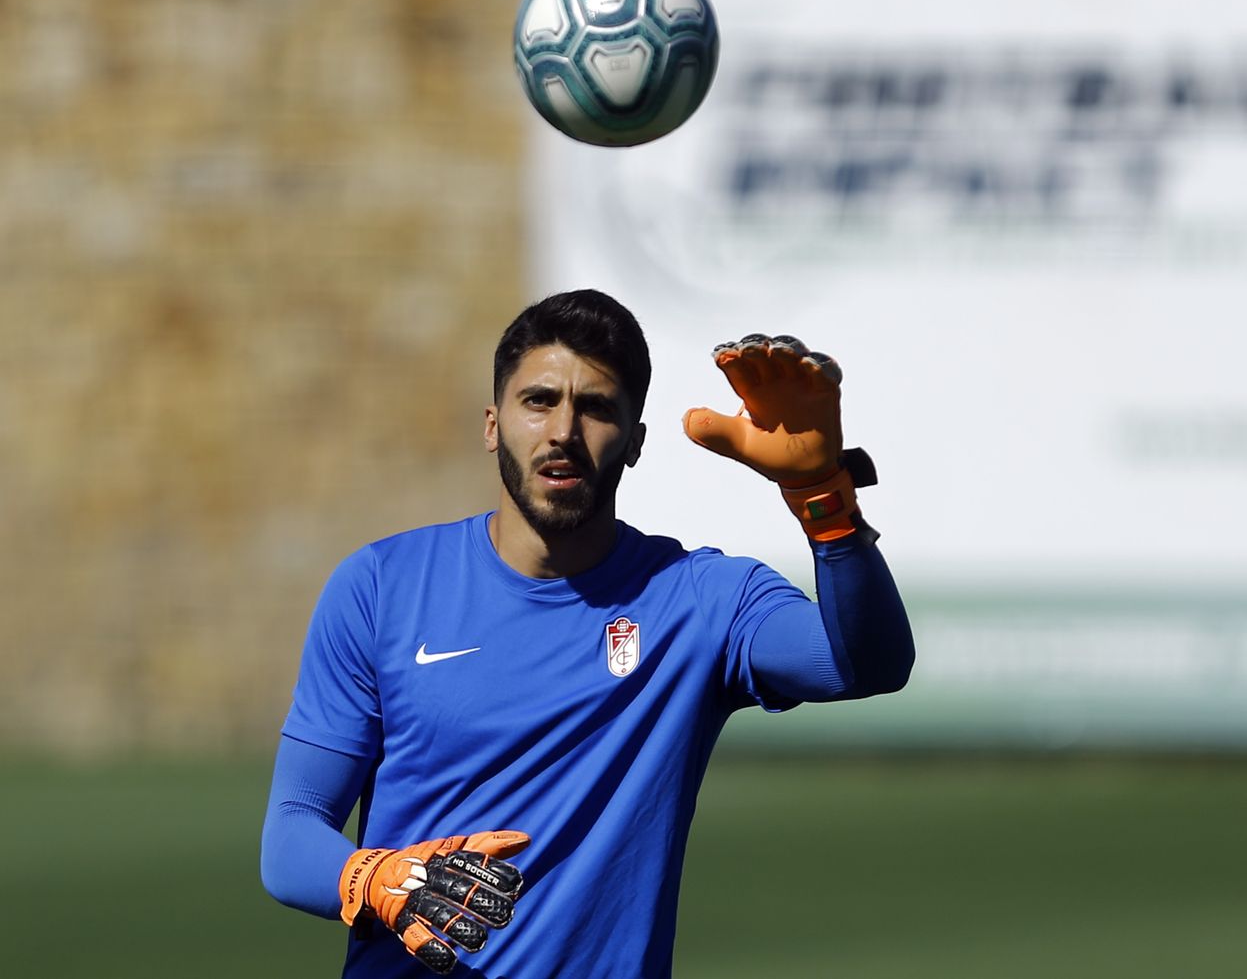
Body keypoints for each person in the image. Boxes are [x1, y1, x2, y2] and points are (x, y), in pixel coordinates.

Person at [260, 289, 914, 978]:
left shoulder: (700, 600)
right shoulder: (381, 587)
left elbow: (866, 664)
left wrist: (823, 500)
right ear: (492, 424)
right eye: (538, 400)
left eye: (596, 408)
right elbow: (292, 833)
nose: (563, 431)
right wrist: (377, 879)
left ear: (634, 442)